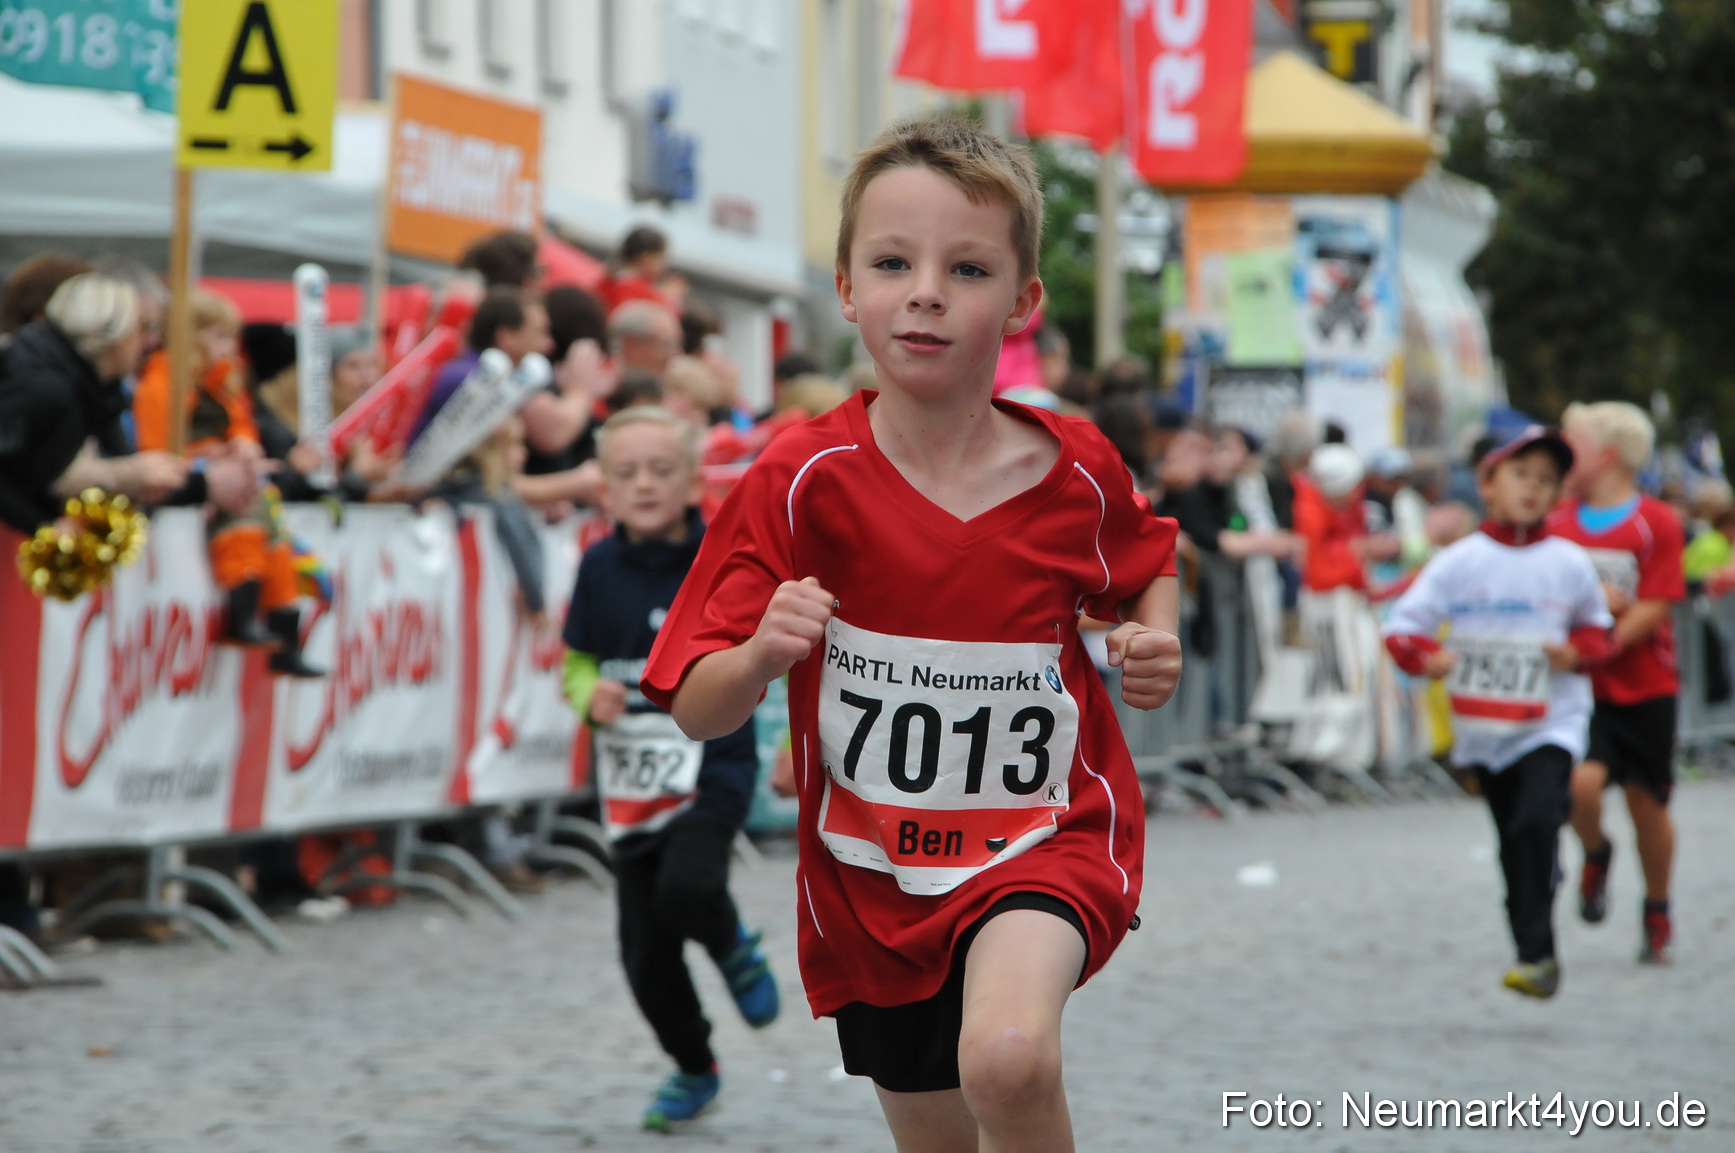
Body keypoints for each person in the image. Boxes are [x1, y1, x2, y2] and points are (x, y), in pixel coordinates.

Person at [641, 117, 1182, 1153]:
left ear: (1021, 302)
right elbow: (698, 707)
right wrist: (758, 655)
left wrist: (1153, 643)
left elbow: (1150, 558)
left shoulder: (1076, 469)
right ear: (847, 287)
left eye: (966, 268)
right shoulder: (798, 479)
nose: (925, 292)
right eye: (893, 263)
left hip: (1044, 839)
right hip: (873, 879)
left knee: (1007, 1058)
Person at [561, 406, 778, 1130]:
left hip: (713, 762)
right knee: (643, 956)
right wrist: (590, 695)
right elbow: (576, 661)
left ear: (692, 482)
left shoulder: (720, 557)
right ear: (604, 490)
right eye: (627, 473)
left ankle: (732, 946)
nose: (644, 485)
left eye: (661, 470)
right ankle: (693, 1066)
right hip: (632, 784)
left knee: (688, 887)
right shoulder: (597, 566)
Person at [1385, 428, 1612, 998]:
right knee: (1515, 841)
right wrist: (1428, 658)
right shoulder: (1459, 562)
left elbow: (1598, 632)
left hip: (1551, 721)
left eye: (1546, 480)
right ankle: (1535, 956)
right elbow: (1403, 629)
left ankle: (1539, 943)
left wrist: (1575, 652)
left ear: (1558, 493)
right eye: (1520, 475)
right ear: (1487, 484)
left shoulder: (1569, 562)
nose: (1532, 489)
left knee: (1538, 818)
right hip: (1483, 731)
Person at [1547, 401, 1686, 963]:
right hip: (1582, 690)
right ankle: (1596, 851)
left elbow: (1655, 603)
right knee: (1578, 785)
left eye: (1571, 444)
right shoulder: (1557, 523)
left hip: (1645, 686)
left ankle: (1657, 907)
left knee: (1646, 805)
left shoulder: (1656, 522)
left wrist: (1603, 637)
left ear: (1605, 456)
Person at [133, 290, 323, 674]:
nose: (229, 347)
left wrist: (245, 447)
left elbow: (242, 427)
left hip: (231, 478)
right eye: (219, 336)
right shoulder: (163, 383)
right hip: (198, 482)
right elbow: (155, 446)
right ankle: (243, 614)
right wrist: (207, 458)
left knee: (276, 541)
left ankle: (284, 631)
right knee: (244, 525)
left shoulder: (221, 386)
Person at [0, 273, 189, 533]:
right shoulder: (48, 389)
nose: (150, 342)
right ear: (115, 336)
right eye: (143, 327)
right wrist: (44, 526)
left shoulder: (87, 386)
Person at [409, 286, 552, 444]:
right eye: (540, 332)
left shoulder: (477, 374)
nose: (548, 344)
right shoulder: (469, 379)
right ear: (506, 337)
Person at [608, 299, 683, 379]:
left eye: (676, 345)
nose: (674, 355)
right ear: (631, 345)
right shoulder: (608, 383)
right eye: (666, 345)